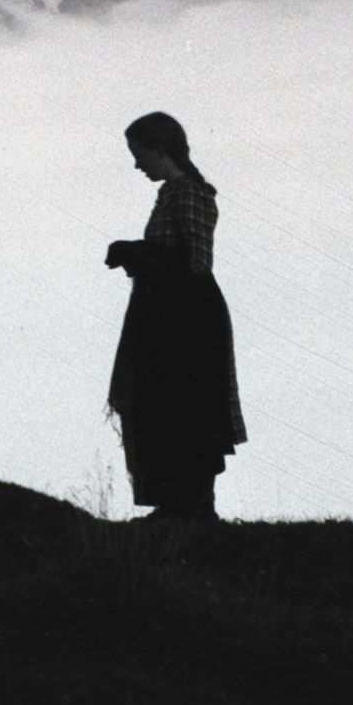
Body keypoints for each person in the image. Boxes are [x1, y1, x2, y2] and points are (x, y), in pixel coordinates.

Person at [104, 109, 246, 519]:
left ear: (161, 149)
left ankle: (192, 506)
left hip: (188, 318)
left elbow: (196, 262)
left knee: (185, 403)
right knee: (162, 402)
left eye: (140, 155)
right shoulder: (173, 192)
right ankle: (175, 504)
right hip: (166, 314)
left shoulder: (189, 192)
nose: (137, 165)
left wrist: (139, 253)